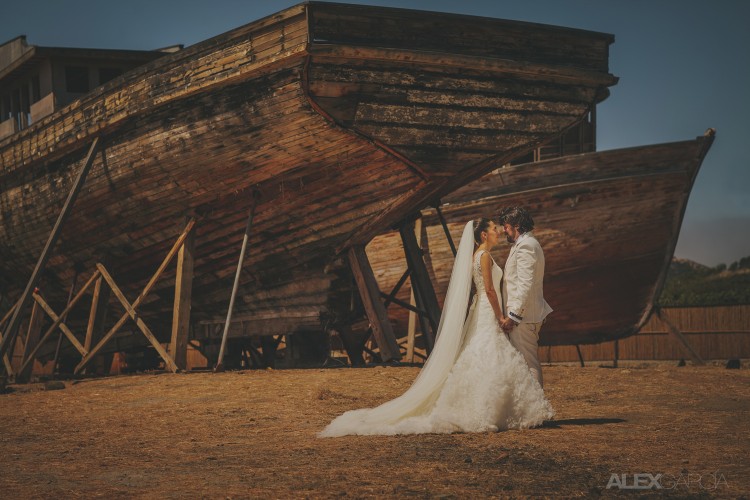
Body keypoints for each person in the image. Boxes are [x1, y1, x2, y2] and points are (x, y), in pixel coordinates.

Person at [319, 219, 553, 437]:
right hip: (488, 310)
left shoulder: (480, 255)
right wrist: (501, 316)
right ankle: (488, 406)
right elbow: (490, 291)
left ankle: (492, 404)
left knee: (484, 353)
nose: (498, 231)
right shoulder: (483, 256)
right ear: (483, 234)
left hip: (483, 309)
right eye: (493, 229)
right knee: (487, 353)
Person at [499, 207, 553, 387]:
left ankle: (537, 409)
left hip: (523, 317)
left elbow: (525, 284)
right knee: (525, 363)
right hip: (526, 314)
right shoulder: (525, 244)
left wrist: (513, 316)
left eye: (506, 226)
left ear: (517, 226)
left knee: (529, 363)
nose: (503, 230)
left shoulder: (527, 246)